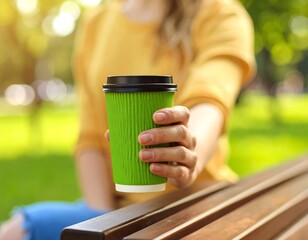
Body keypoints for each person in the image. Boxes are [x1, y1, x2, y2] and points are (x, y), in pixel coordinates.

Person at [0, 0, 255, 239]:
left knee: (21, 229)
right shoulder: (97, 22)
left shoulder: (220, 15)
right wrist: (103, 222)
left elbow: (209, 101)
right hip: (116, 210)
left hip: (191, 208)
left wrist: (188, 153)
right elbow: (90, 140)